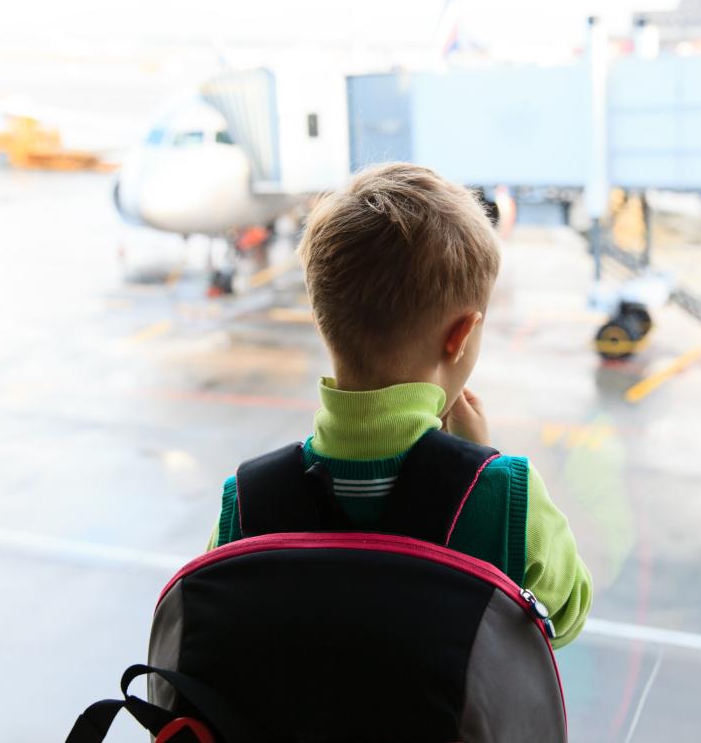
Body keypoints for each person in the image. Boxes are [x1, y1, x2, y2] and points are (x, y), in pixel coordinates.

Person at [207, 162, 592, 648]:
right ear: (461, 336)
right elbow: (567, 612)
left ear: (321, 314)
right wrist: (479, 464)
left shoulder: (246, 502)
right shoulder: (509, 496)